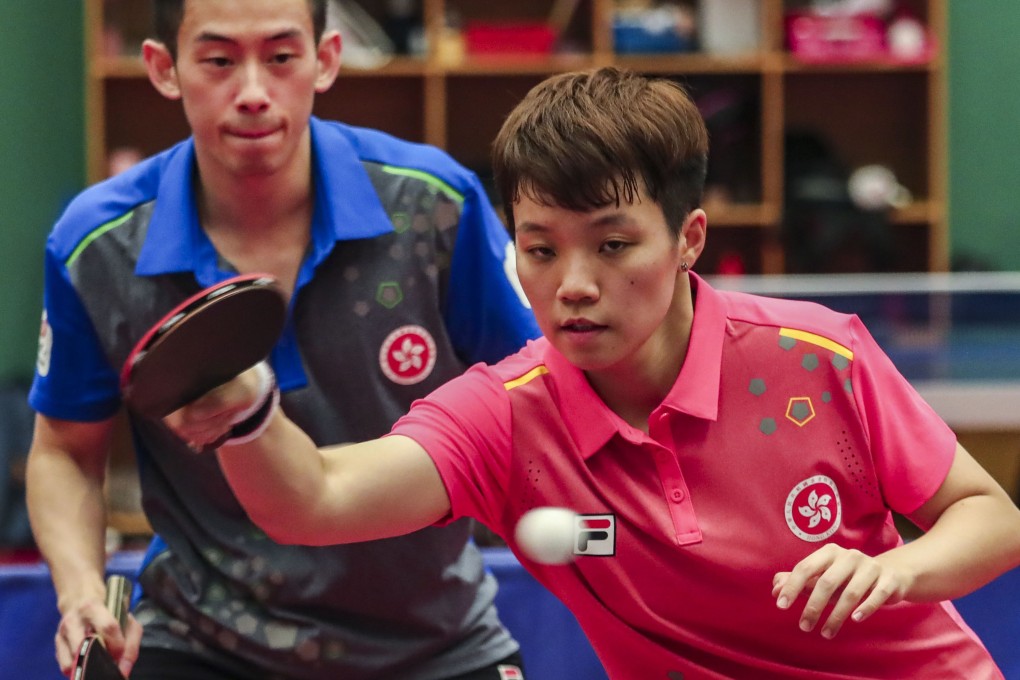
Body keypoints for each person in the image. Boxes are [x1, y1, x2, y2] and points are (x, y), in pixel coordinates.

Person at [167, 65, 1020, 679]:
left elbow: (989, 516)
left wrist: (894, 571)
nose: (573, 285)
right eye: (540, 250)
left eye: (613, 246)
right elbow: (313, 500)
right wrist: (246, 413)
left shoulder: (816, 356)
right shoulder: (506, 418)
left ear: (688, 239)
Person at [26, 0, 540, 678]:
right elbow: (63, 451)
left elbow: (534, 392)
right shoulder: (96, 245)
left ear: (325, 59)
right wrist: (82, 591)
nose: (252, 94)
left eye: (280, 57)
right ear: (164, 68)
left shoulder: (435, 205)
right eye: (217, 60)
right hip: (203, 641)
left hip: (435, 643)